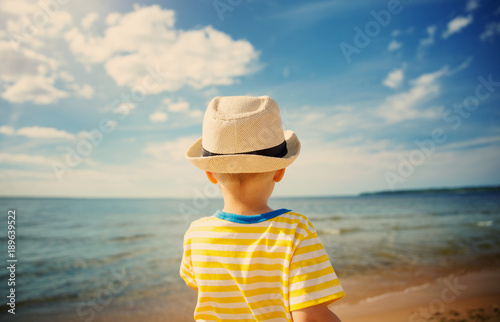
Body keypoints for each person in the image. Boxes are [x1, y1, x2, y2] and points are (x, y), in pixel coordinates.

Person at [180, 96, 345, 321]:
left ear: (209, 174)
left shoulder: (195, 234)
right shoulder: (294, 230)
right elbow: (311, 317)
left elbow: (204, 291)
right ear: (280, 171)